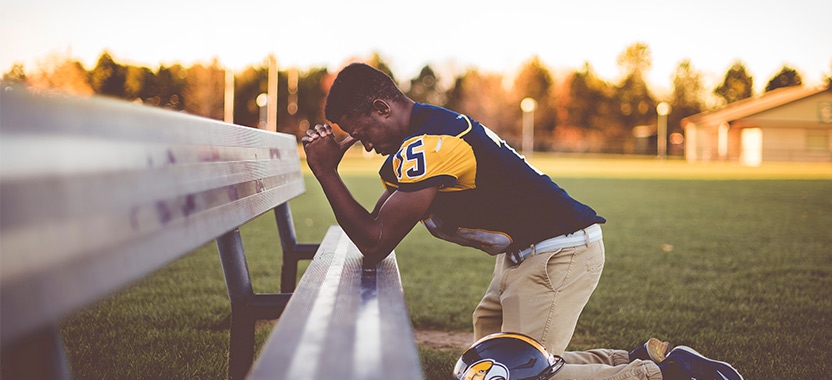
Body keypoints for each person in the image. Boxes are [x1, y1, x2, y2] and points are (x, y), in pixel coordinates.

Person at [301, 62, 742, 380]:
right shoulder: (425, 133)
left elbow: (376, 240)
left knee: (513, 374)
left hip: (557, 254)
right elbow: (375, 227)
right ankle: (641, 356)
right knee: (486, 360)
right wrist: (331, 171)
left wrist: (325, 172)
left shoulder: (428, 143)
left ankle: (665, 375)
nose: (365, 146)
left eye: (362, 134)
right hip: (526, 255)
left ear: (382, 107)